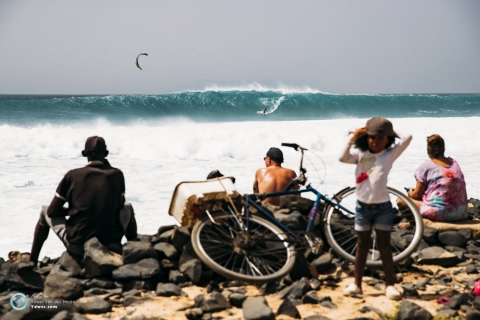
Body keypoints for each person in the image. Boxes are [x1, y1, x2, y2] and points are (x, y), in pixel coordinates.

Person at [29, 136, 138, 265]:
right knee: (128, 207)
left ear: (84, 154)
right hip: (109, 241)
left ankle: (32, 261)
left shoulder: (72, 175)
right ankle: (134, 251)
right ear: (106, 154)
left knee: (44, 211)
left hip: (78, 245)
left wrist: (74, 211)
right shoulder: (117, 174)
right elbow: (120, 204)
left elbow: (52, 211)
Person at [339, 117, 412, 300]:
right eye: (372, 137)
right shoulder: (360, 155)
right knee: (362, 247)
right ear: (366, 138)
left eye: (381, 138)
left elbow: (408, 136)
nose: (376, 141)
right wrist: (356, 134)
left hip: (383, 208)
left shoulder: (389, 155)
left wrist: (389, 130)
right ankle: (357, 284)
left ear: (387, 139)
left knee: (384, 247)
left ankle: (390, 286)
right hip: (362, 208)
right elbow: (341, 157)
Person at [399, 134, 467, 227]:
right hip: (461, 212)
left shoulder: (426, 166)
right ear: (444, 149)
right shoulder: (454, 163)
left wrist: (410, 192)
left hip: (442, 213)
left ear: (428, 151)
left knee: (400, 200)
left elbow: (417, 195)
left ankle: (413, 224)